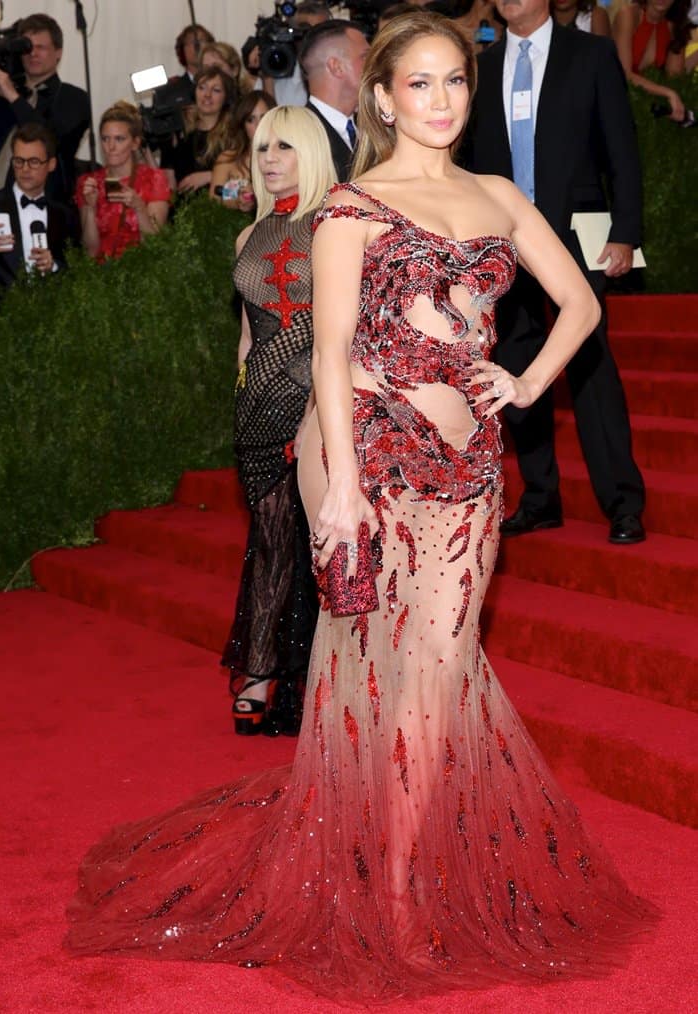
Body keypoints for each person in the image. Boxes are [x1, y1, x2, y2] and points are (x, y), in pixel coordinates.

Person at [66, 12, 657, 1002]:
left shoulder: (499, 195)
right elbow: (331, 355)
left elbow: (584, 304)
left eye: (455, 83)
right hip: (367, 450)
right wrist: (337, 484)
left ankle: (402, 856)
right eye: (418, 85)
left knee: (440, 666)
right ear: (381, 99)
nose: (440, 100)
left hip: (470, 465)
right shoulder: (351, 208)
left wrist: (524, 380)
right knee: (396, 672)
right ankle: (390, 899)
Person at [467, 0, 646, 545]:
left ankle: (622, 501)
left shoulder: (590, 54)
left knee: (589, 365)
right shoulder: (482, 67)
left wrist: (626, 230)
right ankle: (540, 498)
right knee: (516, 363)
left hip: (575, 236)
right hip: (504, 242)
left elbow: (622, 148)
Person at [220, 106, 334, 737]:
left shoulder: (333, 226)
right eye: (262, 147)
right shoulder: (249, 235)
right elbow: (247, 335)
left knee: (319, 541)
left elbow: (341, 333)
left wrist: (321, 408)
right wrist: (242, 397)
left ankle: (315, 678)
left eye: (283, 147)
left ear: (311, 151)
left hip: (314, 398)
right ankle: (262, 669)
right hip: (259, 406)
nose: (268, 159)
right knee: (270, 539)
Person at [0, 13, 90, 204]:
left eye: (41, 48)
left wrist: (12, 96)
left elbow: (48, 140)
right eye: (28, 47)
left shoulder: (73, 97)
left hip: (48, 207)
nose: (33, 54)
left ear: (58, 52)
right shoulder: (5, 94)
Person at [76, 102, 170, 260]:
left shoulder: (154, 179)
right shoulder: (89, 182)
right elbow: (90, 252)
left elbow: (155, 246)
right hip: (103, 275)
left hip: (143, 273)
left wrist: (140, 208)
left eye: (119, 139)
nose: (110, 146)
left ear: (135, 143)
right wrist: (91, 209)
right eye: (105, 139)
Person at [0, 123, 77, 292]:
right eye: (19, 161)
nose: (25, 169)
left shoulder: (65, 214)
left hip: (49, 312)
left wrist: (54, 266)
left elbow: (75, 269)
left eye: (33, 161)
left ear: (51, 164)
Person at [300, 20, 371, 181]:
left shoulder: (371, 127)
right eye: (365, 56)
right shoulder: (299, 137)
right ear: (336, 67)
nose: (375, 64)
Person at [159, 68, 235, 195]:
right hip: (183, 210)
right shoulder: (180, 132)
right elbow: (168, 186)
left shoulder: (234, 135)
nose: (207, 94)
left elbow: (243, 190)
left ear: (226, 98)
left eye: (216, 90)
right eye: (202, 88)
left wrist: (210, 176)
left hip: (222, 210)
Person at [613, 0, 690, 121]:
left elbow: (675, 79)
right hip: (616, 102)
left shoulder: (674, 25)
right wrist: (668, 93)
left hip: (647, 110)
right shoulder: (628, 15)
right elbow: (623, 74)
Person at [209, 90, 276, 213]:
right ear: (243, 125)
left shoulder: (288, 155)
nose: (258, 125)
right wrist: (238, 201)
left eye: (264, 117)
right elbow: (215, 199)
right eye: (251, 119)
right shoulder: (228, 158)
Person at [171, 23, 216, 102]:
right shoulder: (171, 89)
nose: (196, 46)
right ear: (182, 50)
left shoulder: (222, 85)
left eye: (201, 40)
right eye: (191, 41)